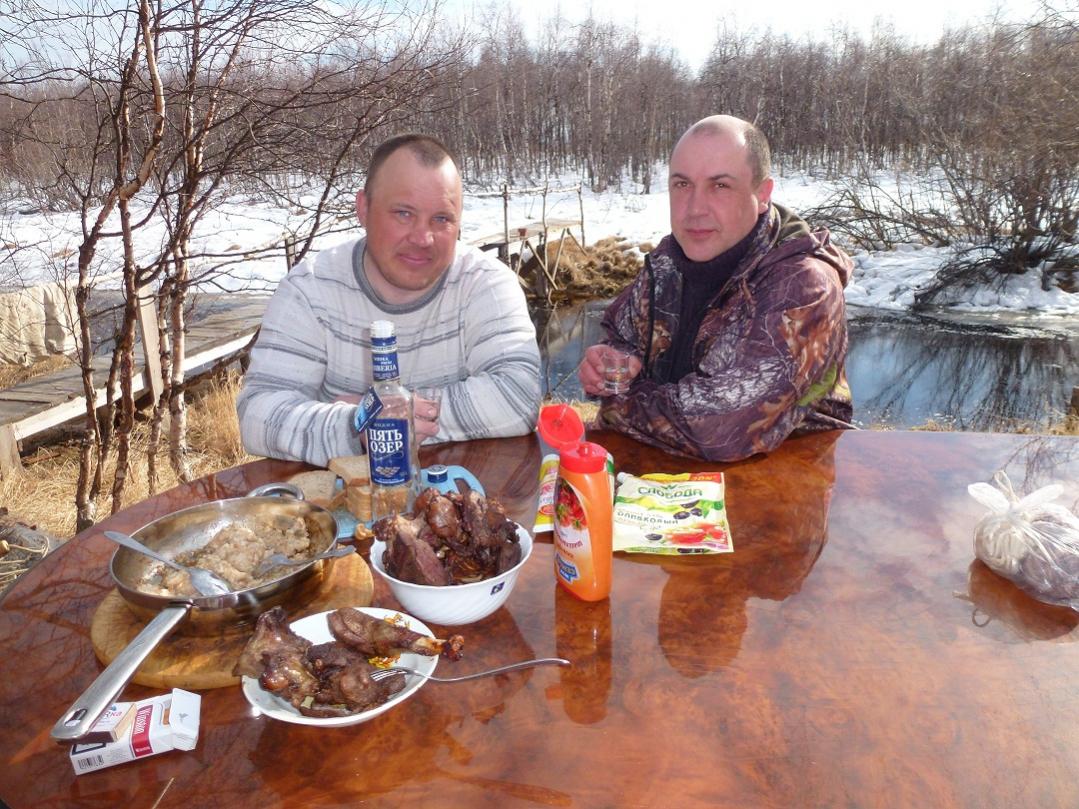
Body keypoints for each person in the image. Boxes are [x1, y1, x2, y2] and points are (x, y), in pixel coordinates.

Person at [238, 134, 541, 467]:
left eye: (441, 218)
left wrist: (386, 414)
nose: (423, 238)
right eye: (403, 213)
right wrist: (353, 426)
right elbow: (257, 416)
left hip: (465, 488)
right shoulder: (311, 289)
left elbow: (519, 397)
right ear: (363, 209)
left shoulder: (485, 283)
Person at [579, 115, 853, 461]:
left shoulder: (802, 285)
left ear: (762, 194)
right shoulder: (667, 262)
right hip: (660, 475)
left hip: (775, 480)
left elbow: (718, 430)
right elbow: (621, 335)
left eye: (720, 186)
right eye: (682, 184)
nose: (695, 208)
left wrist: (618, 400)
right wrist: (609, 362)